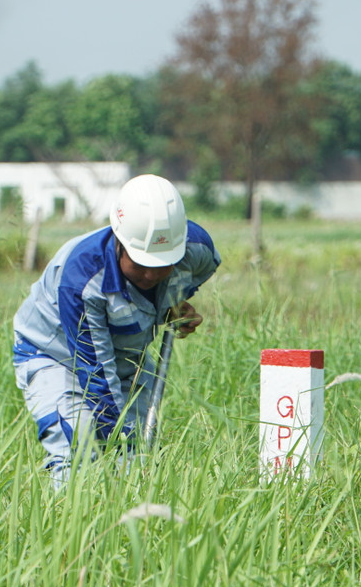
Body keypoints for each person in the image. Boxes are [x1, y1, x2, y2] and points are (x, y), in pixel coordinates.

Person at [13, 174, 220, 488]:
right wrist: (114, 438)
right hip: (54, 355)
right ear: (119, 242)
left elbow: (197, 273)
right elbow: (95, 372)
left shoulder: (195, 248)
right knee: (79, 442)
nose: (151, 274)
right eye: (140, 263)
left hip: (125, 355)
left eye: (162, 264)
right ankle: (68, 527)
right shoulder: (83, 279)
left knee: (135, 456)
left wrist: (171, 305)